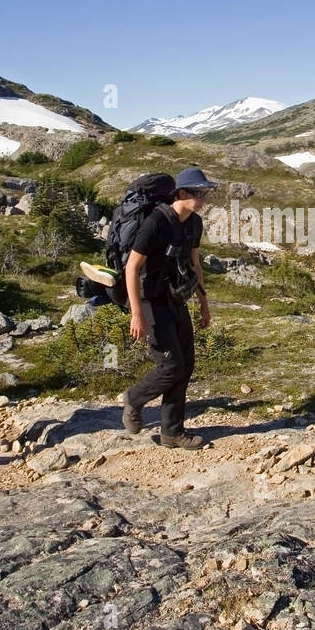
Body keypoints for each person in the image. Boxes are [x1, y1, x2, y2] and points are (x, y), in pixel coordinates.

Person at [122, 167, 216, 449]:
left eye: (205, 193)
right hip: (149, 300)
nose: (202, 199)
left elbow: (194, 264)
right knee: (171, 364)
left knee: (185, 365)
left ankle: (172, 432)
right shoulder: (156, 222)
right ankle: (134, 399)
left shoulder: (194, 224)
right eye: (198, 193)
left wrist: (203, 302)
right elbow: (132, 267)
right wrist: (137, 313)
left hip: (175, 298)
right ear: (182, 193)